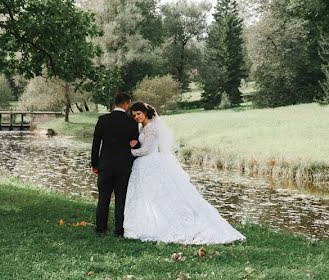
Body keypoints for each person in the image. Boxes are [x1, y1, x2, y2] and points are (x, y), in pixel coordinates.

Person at [123, 102, 244, 244]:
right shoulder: (144, 126)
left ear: (145, 113)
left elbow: (146, 150)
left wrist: (127, 151)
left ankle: (163, 223)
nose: (136, 117)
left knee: (159, 194)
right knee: (148, 194)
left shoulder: (151, 128)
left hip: (150, 161)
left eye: (139, 114)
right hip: (146, 164)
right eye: (134, 115)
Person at [90, 92, 139, 236]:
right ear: (125, 104)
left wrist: (95, 164)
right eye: (128, 104)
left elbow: (95, 145)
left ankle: (101, 228)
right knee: (121, 198)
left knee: (103, 198)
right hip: (123, 166)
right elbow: (135, 144)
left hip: (105, 165)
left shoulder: (103, 120)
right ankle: (119, 230)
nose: (129, 107)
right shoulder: (131, 122)